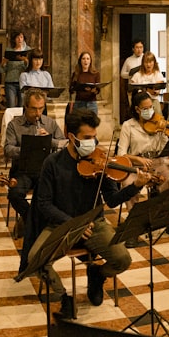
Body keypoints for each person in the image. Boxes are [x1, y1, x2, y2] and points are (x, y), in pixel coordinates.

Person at [29, 109, 149, 316]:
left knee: (122, 259)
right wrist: (73, 225)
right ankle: (63, 296)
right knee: (35, 258)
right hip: (61, 224)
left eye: (94, 138)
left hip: (95, 224)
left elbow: (111, 199)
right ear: (71, 136)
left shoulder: (100, 162)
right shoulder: (53, 163)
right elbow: (44, 204)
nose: (92, 143)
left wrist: (135, 186)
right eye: (87, 138)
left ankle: (97, 275)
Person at [117, 92, 169, 238]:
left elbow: (165, 149)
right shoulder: (128, 126)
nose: (150, 111)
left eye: (151, 107)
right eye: (146, 108)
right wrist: (138, 160)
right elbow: (121, 154)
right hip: (135, 166)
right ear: (137, 109)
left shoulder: (158, 123)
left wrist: (167, 134)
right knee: (128, 185)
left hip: (156, 162)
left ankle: (168, 221)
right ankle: (134, 227)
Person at [3, 89, 64, 233]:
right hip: (23, 171)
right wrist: (28, 147)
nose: (38, 113)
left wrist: (49, 140)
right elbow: (7, 149)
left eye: (41, 108)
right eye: (34, 109)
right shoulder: (14, 125)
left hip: (45, 170)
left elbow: (64, 144)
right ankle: (33, 220)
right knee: (14, 194)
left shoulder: (50, 123)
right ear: (26, 107)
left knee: (61, 191)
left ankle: (31, 222)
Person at [0, 31, 30, 108]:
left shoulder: (28, 50)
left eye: (21, 37)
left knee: (22, 106)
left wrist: (26, 62)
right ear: (14, 39)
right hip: (10, 82)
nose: (19, 39)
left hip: (23, 83)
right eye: (17, 37)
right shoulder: (9, 50)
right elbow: (2, 70)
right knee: (11, 106)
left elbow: (30, 70)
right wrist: (3, 64)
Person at [68, 50, 100, 118]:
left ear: (90, 61)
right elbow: (71, 90)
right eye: (83, 58)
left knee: (91, 127)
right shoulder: (76, 74)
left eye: (88, 59)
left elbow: (98, 89)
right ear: (80, 61)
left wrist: (94, 90)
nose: (86, 61)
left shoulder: (95, 74)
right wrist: (77, 87)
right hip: (79, 103)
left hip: (91, 104)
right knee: (79, 126)